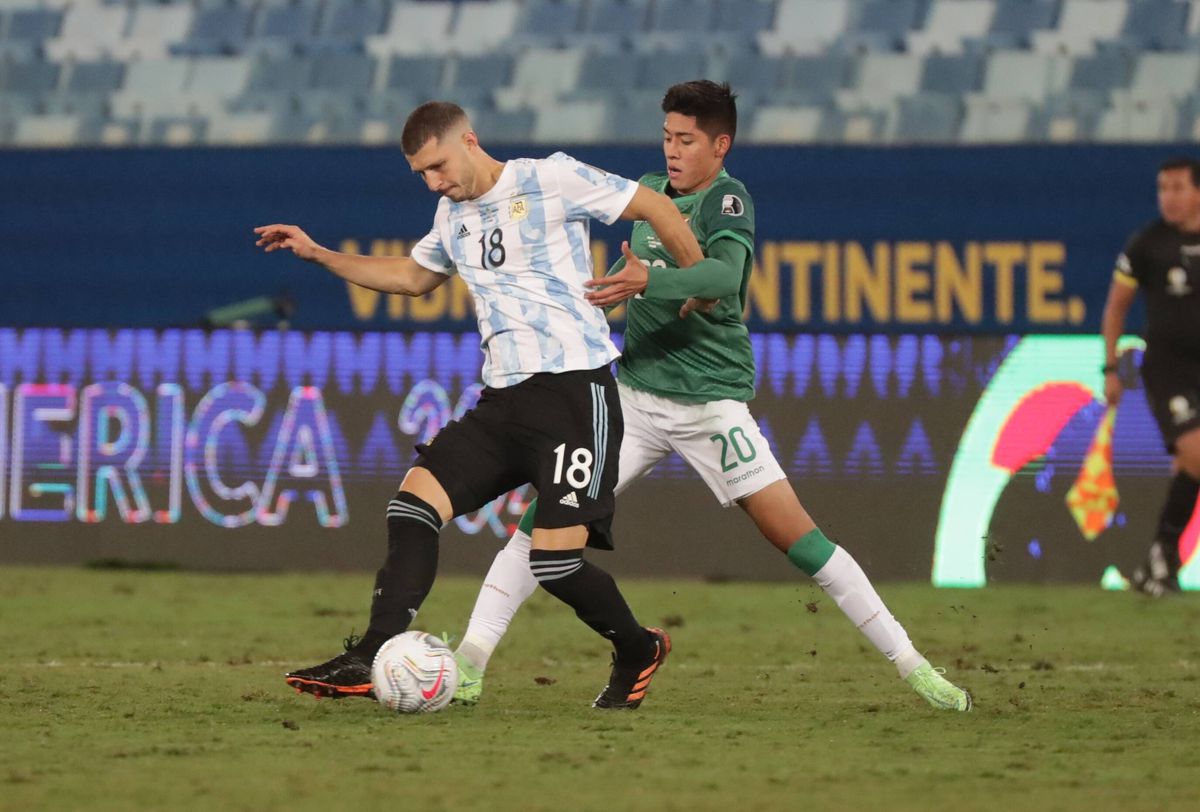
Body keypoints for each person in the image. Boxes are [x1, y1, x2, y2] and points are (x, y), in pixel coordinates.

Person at [449, 81, 972, 712]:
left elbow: (725, 278)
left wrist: (654, 280)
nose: (672, 150)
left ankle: (915, 667)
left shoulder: (728, 201)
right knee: (540, 525)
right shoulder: (645, 195)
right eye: (667, 136)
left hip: (710, 407)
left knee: (801, 541)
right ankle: (471, 662)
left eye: (687, 140)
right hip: (633, 401)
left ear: (720, 145)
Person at [254, 100, 708, 708]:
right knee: (412, 506)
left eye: (439, 165)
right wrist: (319, 254)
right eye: (421, 174)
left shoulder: (550, 177)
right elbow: (414, 279)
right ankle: (370, 656)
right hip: (504, 404)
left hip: (577, 393)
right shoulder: (451, 214)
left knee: (555, 565)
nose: (434, 181)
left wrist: (696, 283)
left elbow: (653, 205)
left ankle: (637, 648)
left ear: (469, 140)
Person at [1102, 156, 1200, 597]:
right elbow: (1116, 307)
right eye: (1163, 188)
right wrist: (1111, 367)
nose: (1169, 197)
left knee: (1188, 467)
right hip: (1168, 369)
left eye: (1178, 188)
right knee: (1197, 455)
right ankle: (1162, 557)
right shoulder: (1148, 244)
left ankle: (1158, 561)